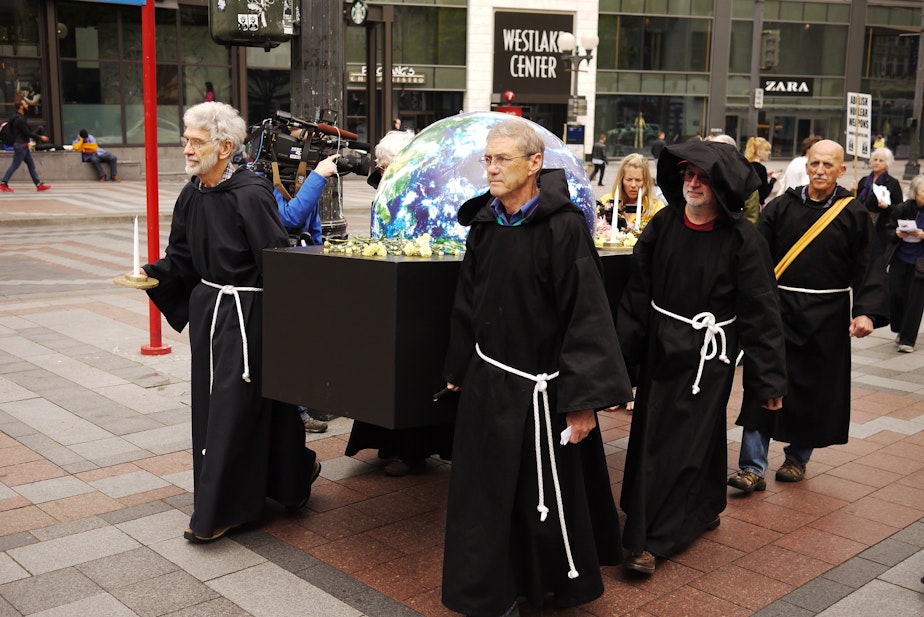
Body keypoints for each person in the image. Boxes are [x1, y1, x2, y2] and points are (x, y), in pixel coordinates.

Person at [441, 119, 632, 616]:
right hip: (488, 383)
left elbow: (586, 316)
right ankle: (491, 594)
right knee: (484, 497)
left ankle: (544, 583)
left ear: (533, 164)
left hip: (541, 391)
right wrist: (458, 366)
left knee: (540, 498)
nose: (491, 168)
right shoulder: (484, 223)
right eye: (487, 158)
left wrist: (583, 403)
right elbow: (469, 301)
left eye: (502, 159)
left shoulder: (563, 227)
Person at [140, 101, 321, 543]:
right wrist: (153, 275)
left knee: (231, 411)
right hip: (211, 315)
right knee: (245, 406)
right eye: (185, 139)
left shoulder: (252, 194)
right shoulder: (192, 193)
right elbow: (182, 256)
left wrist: (283, 328)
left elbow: (276, 263)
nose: (186, 148)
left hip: (248, 316)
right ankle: (292, 478)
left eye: (195, 141)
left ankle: (226, 509)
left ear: (224, 147)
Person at [617, 141, 787, 575]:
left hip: (709, 357)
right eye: (688, 174)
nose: (692, 183)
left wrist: (768, 381)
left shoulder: (743, 240)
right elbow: (637, 295)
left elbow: (762, 312)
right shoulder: (662, 226)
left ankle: (650, 539)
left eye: (703, 177)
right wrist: (622, 361)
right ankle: (704, 503)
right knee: (656, 437)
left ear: (721, 186)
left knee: (685, 440)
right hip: (660, 346)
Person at [730, 139, 888, 493]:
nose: (819, 171)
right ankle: (752, 467)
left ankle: (797, 458)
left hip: (827, 317)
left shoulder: (854, 213)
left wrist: (866, 313)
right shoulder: (782, 206)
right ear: (806, 163)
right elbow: (755, 253)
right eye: (814, 163)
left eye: (827, 166)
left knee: (814, 392)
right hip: (778, 311)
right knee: (763, 380)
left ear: (841, 170)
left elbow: (869, 265)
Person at [346, 128, 454, 476]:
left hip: (413, 285)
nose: (381, 167)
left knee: (409, 369)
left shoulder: (419, 190)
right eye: (380, 161)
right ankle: (391, 444)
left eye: (385, 161)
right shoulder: (392, 186)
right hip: (391, 281)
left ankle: (410, 450)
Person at [884, 174, 924, 353]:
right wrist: (897, 233)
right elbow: (888, 230)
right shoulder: (903, 208)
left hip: (921, 262)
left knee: (915, 301)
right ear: (915, 192)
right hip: (900, 259)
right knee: (896, 296)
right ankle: (900, 329)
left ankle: (908, 339)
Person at [850, 147, 903, 253]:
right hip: (862, 222)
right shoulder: (864, 181)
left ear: (887, 164)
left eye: (881, 160)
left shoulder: (892, 183)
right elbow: (855, 202)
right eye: (875, 160)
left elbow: (900, 208)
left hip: (880, 227)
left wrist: (887, 207)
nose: (877, 163)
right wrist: (852, 191)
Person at [601, 152, 665, 231]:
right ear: (621, 180)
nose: (633, 185)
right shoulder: (606, 201)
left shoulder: (655, 207)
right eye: (629, 179)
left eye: (638, 180)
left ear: (645, 181)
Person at [0, 98, 51, 193]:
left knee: (31, 165)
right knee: (15, 165)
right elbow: (27, 133)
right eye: (25, 104)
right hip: (21, 146)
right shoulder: (19, 120)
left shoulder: (19, 118)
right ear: (20, 107)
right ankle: (3, 183)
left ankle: (38, 184)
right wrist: (40, 137)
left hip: (23, 145)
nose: (27, 105)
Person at [745, 136, 779, 207]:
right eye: (766, 150)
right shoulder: (761, 169)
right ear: (759, 152)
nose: (769, 153)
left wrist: (765, 175)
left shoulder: (746, 165)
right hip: (755, 207)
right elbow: (764, 194)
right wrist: (773, 179)